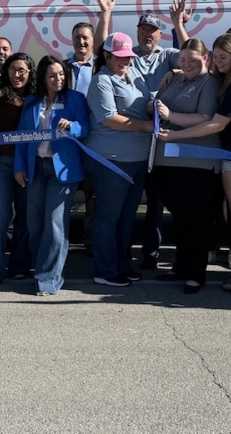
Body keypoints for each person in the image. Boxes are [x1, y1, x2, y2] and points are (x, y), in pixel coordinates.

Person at [159, 33, 231, 296]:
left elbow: (216, 124)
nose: (218, 62)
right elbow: (199, 68)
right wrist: (176, 70)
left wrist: (175, 135)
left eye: (224, 58)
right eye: (216, 57)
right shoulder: (228, 80)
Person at [95, 0, 189, 269]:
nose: (148, 34)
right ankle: (116, 259)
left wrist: (179, 26)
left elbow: (191, 58)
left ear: (160, 35)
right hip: (132, 138)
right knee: (125, 206)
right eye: (144, 29)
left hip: (163, 137)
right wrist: (106, 14)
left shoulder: (169, 54)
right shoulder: (127, 57)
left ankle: (151, 252)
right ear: (137, 33)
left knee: (158, 200)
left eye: (153, 30)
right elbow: (103, 50)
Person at [150, 38, 221, 294]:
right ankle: (182, 266)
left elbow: (205, 118)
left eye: (193, 60)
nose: (187, 64)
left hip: (196, 163)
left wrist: (170, 116)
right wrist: (154, 106)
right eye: (183, 60)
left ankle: (195, 274)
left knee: (196, 220)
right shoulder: (176, 78)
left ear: (206, 59)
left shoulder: (210, 83)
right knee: (180, 218)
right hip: (166, 160)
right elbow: (162, 105)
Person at [14, 56, 90, 296]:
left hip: (63, 170)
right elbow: (22, 138)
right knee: (35, 223)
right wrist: (19, 167)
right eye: (52, 75)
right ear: (43, 79)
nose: (58, 79)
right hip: (36, 166)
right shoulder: (31, 102)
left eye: (61, 74)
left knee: (55, 223)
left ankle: (49, 279)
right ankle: (42, 269)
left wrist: (72, 126)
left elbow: (85, 127)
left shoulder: (75, 99)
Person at [84, 32, 153, 287]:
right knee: (108, 217)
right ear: (107, 56)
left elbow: (145, 102)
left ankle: (122, 265)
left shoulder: (133, 75)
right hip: (110, 161)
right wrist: (145, 125)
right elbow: (109, 118)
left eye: (128, 56)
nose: (125, 61)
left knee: (126, 218)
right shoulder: (101, 81)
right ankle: (106, 270)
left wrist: (153, 107)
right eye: (120, 57)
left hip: (137, 160)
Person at [0, 52, 36, 284]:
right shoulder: (2, 92)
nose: (17, 74)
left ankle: (20, 264)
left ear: (30, 73)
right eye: (13, 70)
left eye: (22, 70)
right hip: (2, 163)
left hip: (28, 162)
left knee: (25, 215)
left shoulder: (36, 97)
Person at [67, 22, 96, 254]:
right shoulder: (63, 68)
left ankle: (90, 239)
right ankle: (61, 240)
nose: (81, 42)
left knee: (93, 193)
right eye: (77, 37)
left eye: (85, 37)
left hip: (93, 141)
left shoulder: (100, 68)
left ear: (93, 41)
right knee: (63, 192)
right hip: (67, 141)